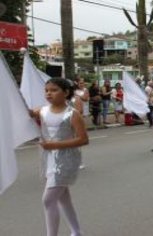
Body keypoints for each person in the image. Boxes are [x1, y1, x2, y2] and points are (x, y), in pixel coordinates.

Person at [31, 78, 88, 236]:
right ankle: (77, 231)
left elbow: (83, 139)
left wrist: (55, 145)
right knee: (63, 198)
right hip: (48, 158)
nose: (49, 93)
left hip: (66, 160)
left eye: (54, 90)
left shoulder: (73, 114)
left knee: (48, 200)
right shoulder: (41, 110)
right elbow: (23, 112)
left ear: (66, 93)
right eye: (47, 90)